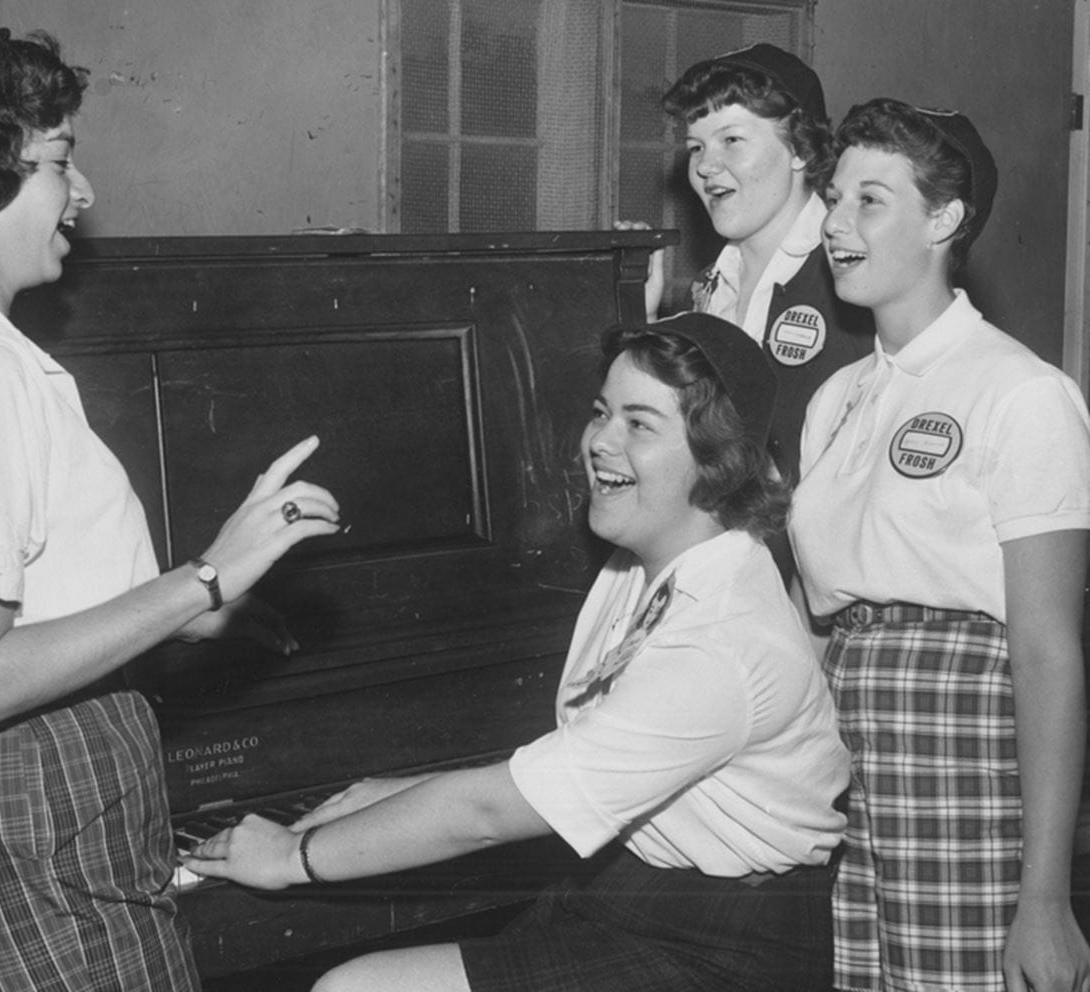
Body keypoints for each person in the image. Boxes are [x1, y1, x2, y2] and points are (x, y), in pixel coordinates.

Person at [0, 27, 341, 991]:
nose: (86, 190)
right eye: (62, 158)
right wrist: (205, 576)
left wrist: (203, 616)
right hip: (35, 813)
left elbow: (37, 610)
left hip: (47, 802)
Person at [183, 312, 851, 992]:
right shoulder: (643, 565)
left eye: (639, 424)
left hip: (727, 945)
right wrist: (400, 793)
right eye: (601, 412)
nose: (598, 441)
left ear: (719, 458)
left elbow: (489, 812)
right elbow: (576, 757)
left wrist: (292, 855)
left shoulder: (722, 638)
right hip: (629, 888)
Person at [790, 98, 1090, 992]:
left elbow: (1047, 649)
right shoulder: (834, 397)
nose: (837, 226)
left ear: (945, 219)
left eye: (870, 201)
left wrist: (1046, 897)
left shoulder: (1023, 394)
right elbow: (816, 617)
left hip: (964, 761)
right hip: (843, 752)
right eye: (833, 199)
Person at [627, 43, 873, 486]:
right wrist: (641, 317)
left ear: (799, 149)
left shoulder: (855, 281)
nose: (705, 166)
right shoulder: (708, 289)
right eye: (696, 147)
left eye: (732, 140)